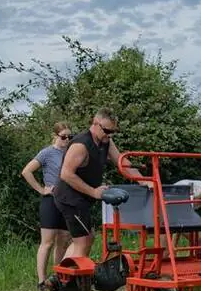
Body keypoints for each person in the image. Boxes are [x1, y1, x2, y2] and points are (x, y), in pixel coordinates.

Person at [52, 107, 152, 260]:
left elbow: (121, 162)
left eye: (113, 131)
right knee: (83, 241)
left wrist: (144, 181)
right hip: (69, 197)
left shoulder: (106, 141)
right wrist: (93, 192)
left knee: (88, 238)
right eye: (107, 130)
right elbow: (66, 174)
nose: (110, 135)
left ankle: (62, 277)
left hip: (82, 197)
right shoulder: (81, 145)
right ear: (95, 124)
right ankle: (70, 280)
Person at [21, 121, 73, 291]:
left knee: (63, 240)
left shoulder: (71, 152)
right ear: (55, 136)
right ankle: (42, 281)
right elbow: (27, 171)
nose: (66, 140)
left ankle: (57, 277)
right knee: (47, 242)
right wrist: (41, 189)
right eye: (63, 137)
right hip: (50, 200)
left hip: (67, 200)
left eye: (69, 137)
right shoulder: (47, 152)